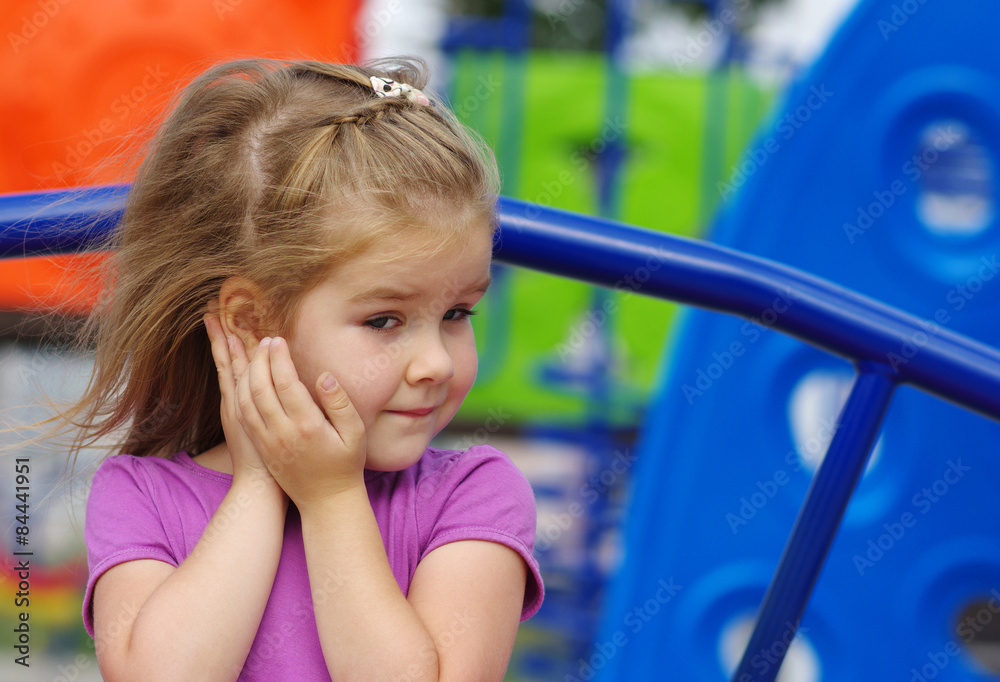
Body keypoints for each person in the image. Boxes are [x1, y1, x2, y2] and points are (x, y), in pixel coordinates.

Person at [76, 57, 543, 680]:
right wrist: (259, 485)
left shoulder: (471, 496)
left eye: (459, 312)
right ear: (249, 321)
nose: (436, 362)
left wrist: (332, 498)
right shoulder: (141, 495)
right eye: (385, 320)